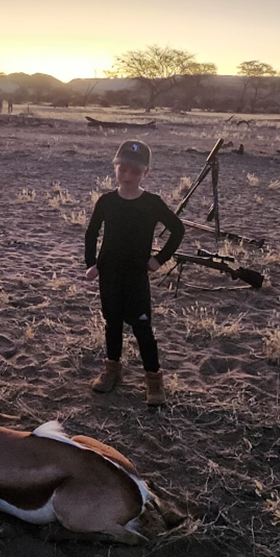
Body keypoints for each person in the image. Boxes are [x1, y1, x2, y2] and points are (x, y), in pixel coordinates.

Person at [85, 139, 184, 405]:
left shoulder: (152, 203)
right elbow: (92, 232)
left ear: (146, 173)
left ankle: (154, 379)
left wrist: (159, 259)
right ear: (115, 167)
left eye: (135, 171)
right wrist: (91, 264)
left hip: (136, 276)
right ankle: (112, 369)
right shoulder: (106, 201)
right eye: (122, 169)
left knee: (142, 328)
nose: (127, 176)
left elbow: (178, 229)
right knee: (112, 323)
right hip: (109, 274)